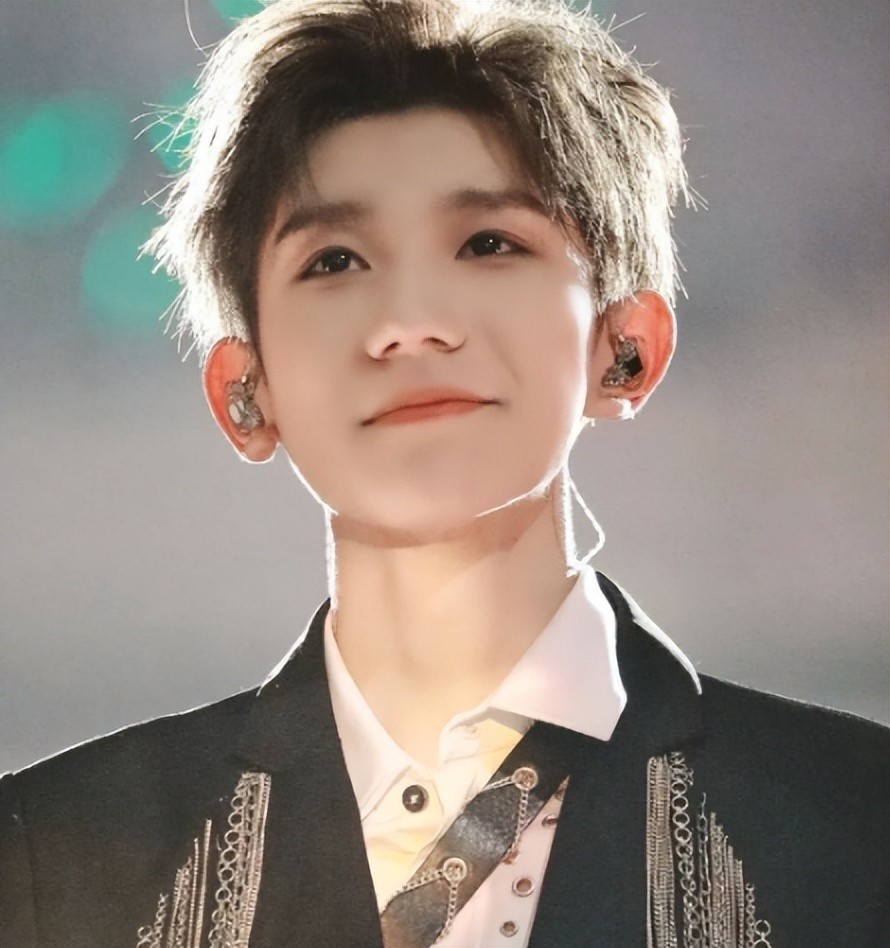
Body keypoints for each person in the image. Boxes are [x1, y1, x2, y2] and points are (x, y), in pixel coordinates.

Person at [1, 1, 886, 945]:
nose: (410, 323)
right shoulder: (50, 855)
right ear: (243, 392)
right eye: (335, 260)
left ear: (625, 347)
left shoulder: (857, 823)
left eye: (488, 243)